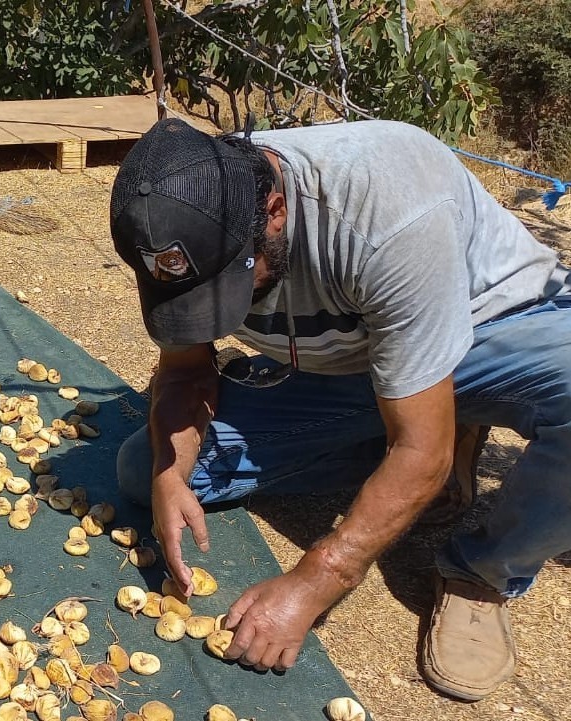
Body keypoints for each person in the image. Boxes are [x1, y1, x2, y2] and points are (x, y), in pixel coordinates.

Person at [110, 116, 571, 701]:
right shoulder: (180, 223)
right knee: (140, 470)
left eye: (232, 285)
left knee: (435, 443)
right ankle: (406, 434)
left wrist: (315, 580)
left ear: (274, 210)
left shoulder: (388, 216)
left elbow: (420, 454)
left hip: (491, 332)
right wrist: (171, 474)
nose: (217, 307)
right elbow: (185, 370)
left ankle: (483, 572)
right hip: (353, 362)